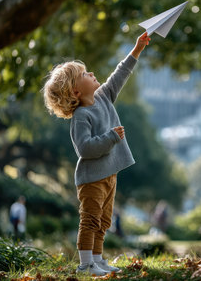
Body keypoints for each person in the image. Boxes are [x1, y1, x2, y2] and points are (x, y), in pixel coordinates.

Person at [42, 32, 151, 276]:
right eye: (84, 74)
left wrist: (137, 50)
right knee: (90, 220)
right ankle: (85, 265)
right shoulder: (81, 117)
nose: (91, 74)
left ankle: (98, 260)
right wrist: (111, 137)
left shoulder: (104, 96)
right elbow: (85, 148)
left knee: (104, 221)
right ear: (76, 91)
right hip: (91, 179)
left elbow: (120, 75)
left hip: (109, 174)